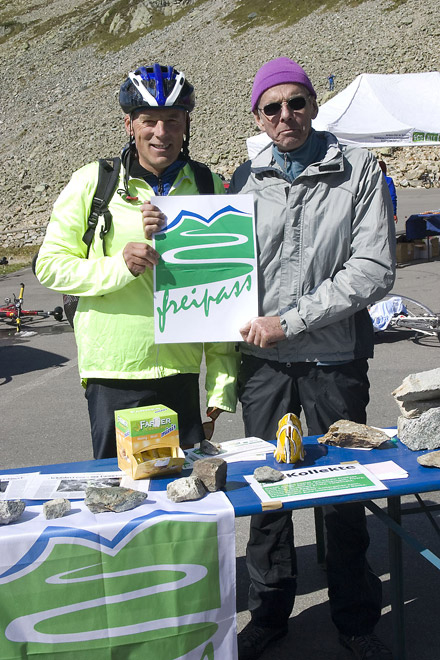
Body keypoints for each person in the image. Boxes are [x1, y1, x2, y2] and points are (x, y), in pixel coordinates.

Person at [228, 57, 396, 660]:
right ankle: (269, 615)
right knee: (267, 498)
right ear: (257, 116)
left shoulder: (359, 170)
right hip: (264, 367)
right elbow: (221, 269)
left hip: (332, 360)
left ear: (313, 105)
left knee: (344, 495)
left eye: (295, 102)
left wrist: (290, 322)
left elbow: (373, 269)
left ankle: (356, 620)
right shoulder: (244, 180)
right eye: (271, 107)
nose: (285, 116)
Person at [36, 63, 239, 459]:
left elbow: (220, 287)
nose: (161, 133)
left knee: (186, 506)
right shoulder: (93, 182)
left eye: (172, 120)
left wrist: (220, 386)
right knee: (121, 503)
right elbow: (50, 265)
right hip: (115, 374)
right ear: (129, 124)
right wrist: (119, 265)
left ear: (186, 125)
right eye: (149, 121)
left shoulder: (205, 184)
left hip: (180, 375)